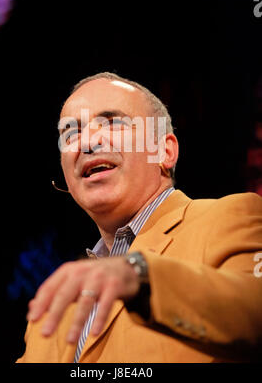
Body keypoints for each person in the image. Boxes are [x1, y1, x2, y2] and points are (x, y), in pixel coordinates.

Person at [17, 72, 262, 363]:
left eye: (112, 123)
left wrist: (139, 276)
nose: (87, 143)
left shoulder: (229, 217)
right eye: (71, 133)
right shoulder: (51, 310)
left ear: (164, 151)